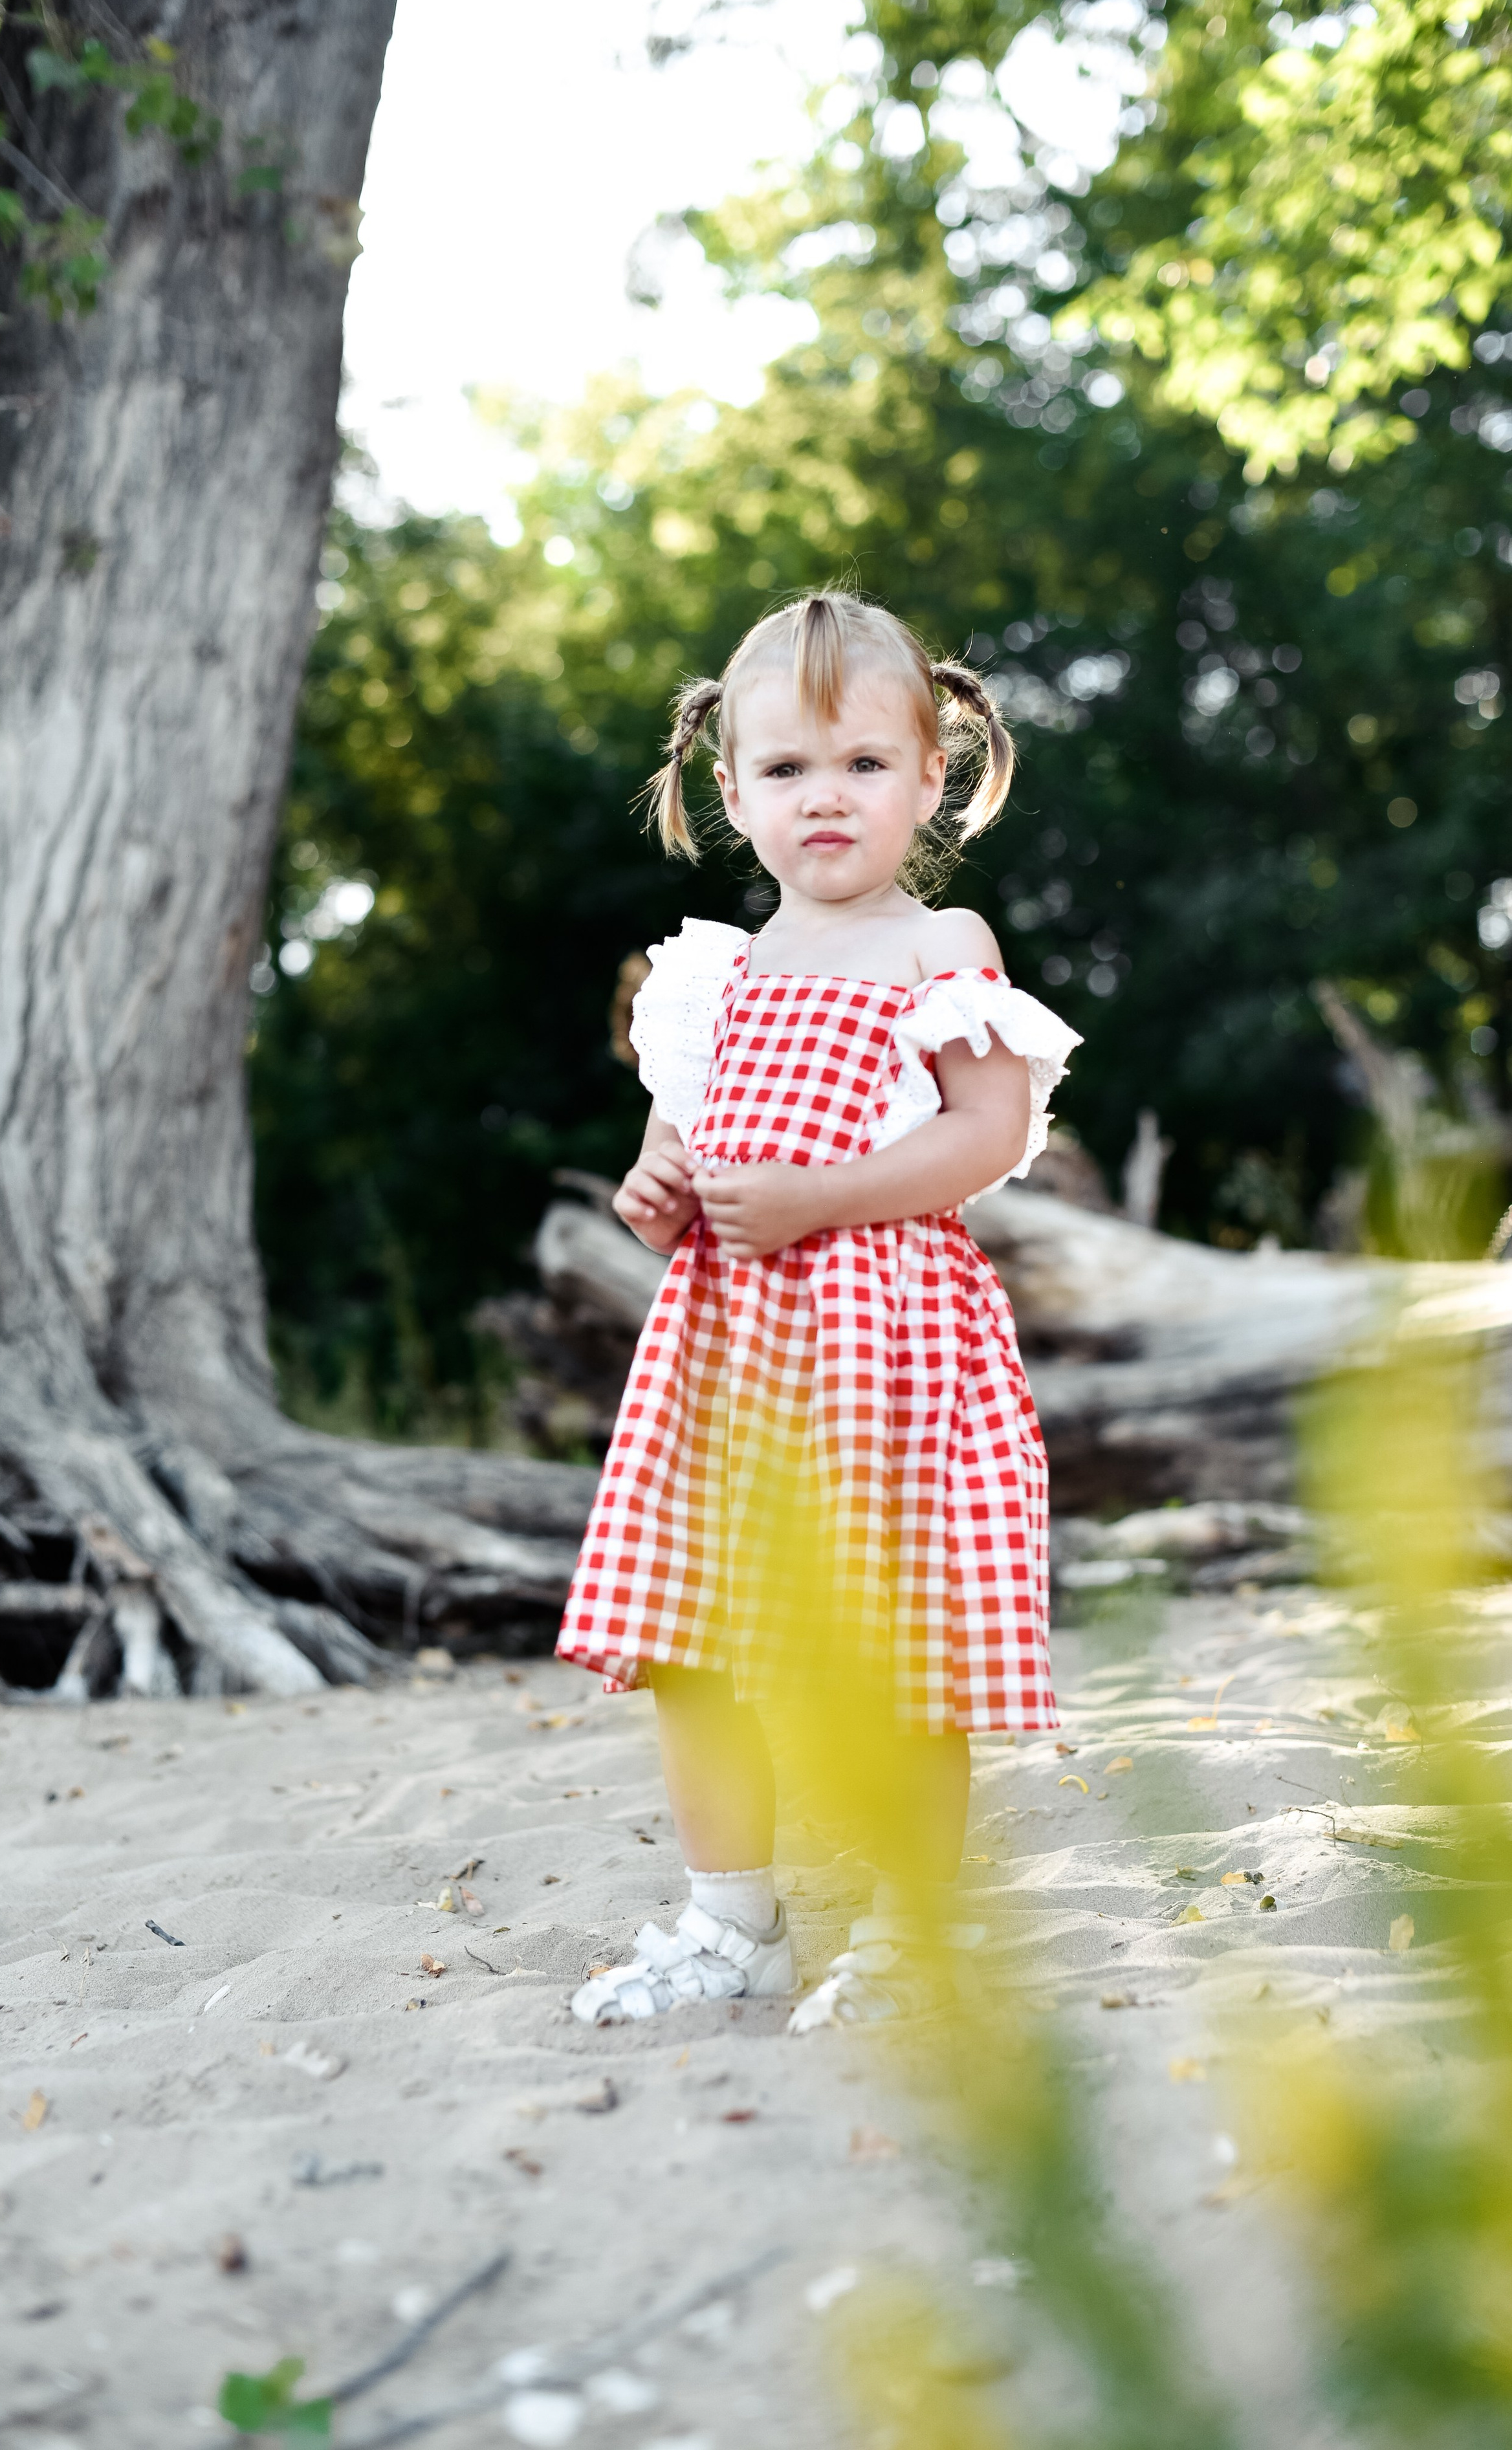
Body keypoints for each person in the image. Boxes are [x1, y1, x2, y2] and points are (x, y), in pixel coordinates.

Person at [555, 589, 1080, 2029]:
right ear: (730, 792)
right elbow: (689, 1143)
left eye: (862, 763)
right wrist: (660, 1179)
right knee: (694, 1639)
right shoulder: (713, 979)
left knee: (895, 1646)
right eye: (785, 769)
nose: (824, 797)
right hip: (730, 1354)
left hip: (883, 1347)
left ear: (932, 776)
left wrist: (817, 1196)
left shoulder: (938, 945)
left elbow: (984, 1133)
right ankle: (732, 1921)